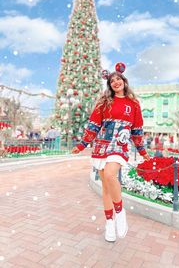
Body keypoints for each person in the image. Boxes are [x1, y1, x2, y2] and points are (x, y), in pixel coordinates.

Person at [72, 62, 150, 242]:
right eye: (112, 80)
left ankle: (120, 212)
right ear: (109, 85)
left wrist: (142, 151)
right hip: (102, 143)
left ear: (124, 81)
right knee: (105, 188)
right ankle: (109, 224)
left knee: (110, 174)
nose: (116, 82)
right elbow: (93, 125)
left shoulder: (133, 104)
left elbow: (137, 130)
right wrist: (83, 144)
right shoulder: (104, 102)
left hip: (120, 144)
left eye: (118, 79)